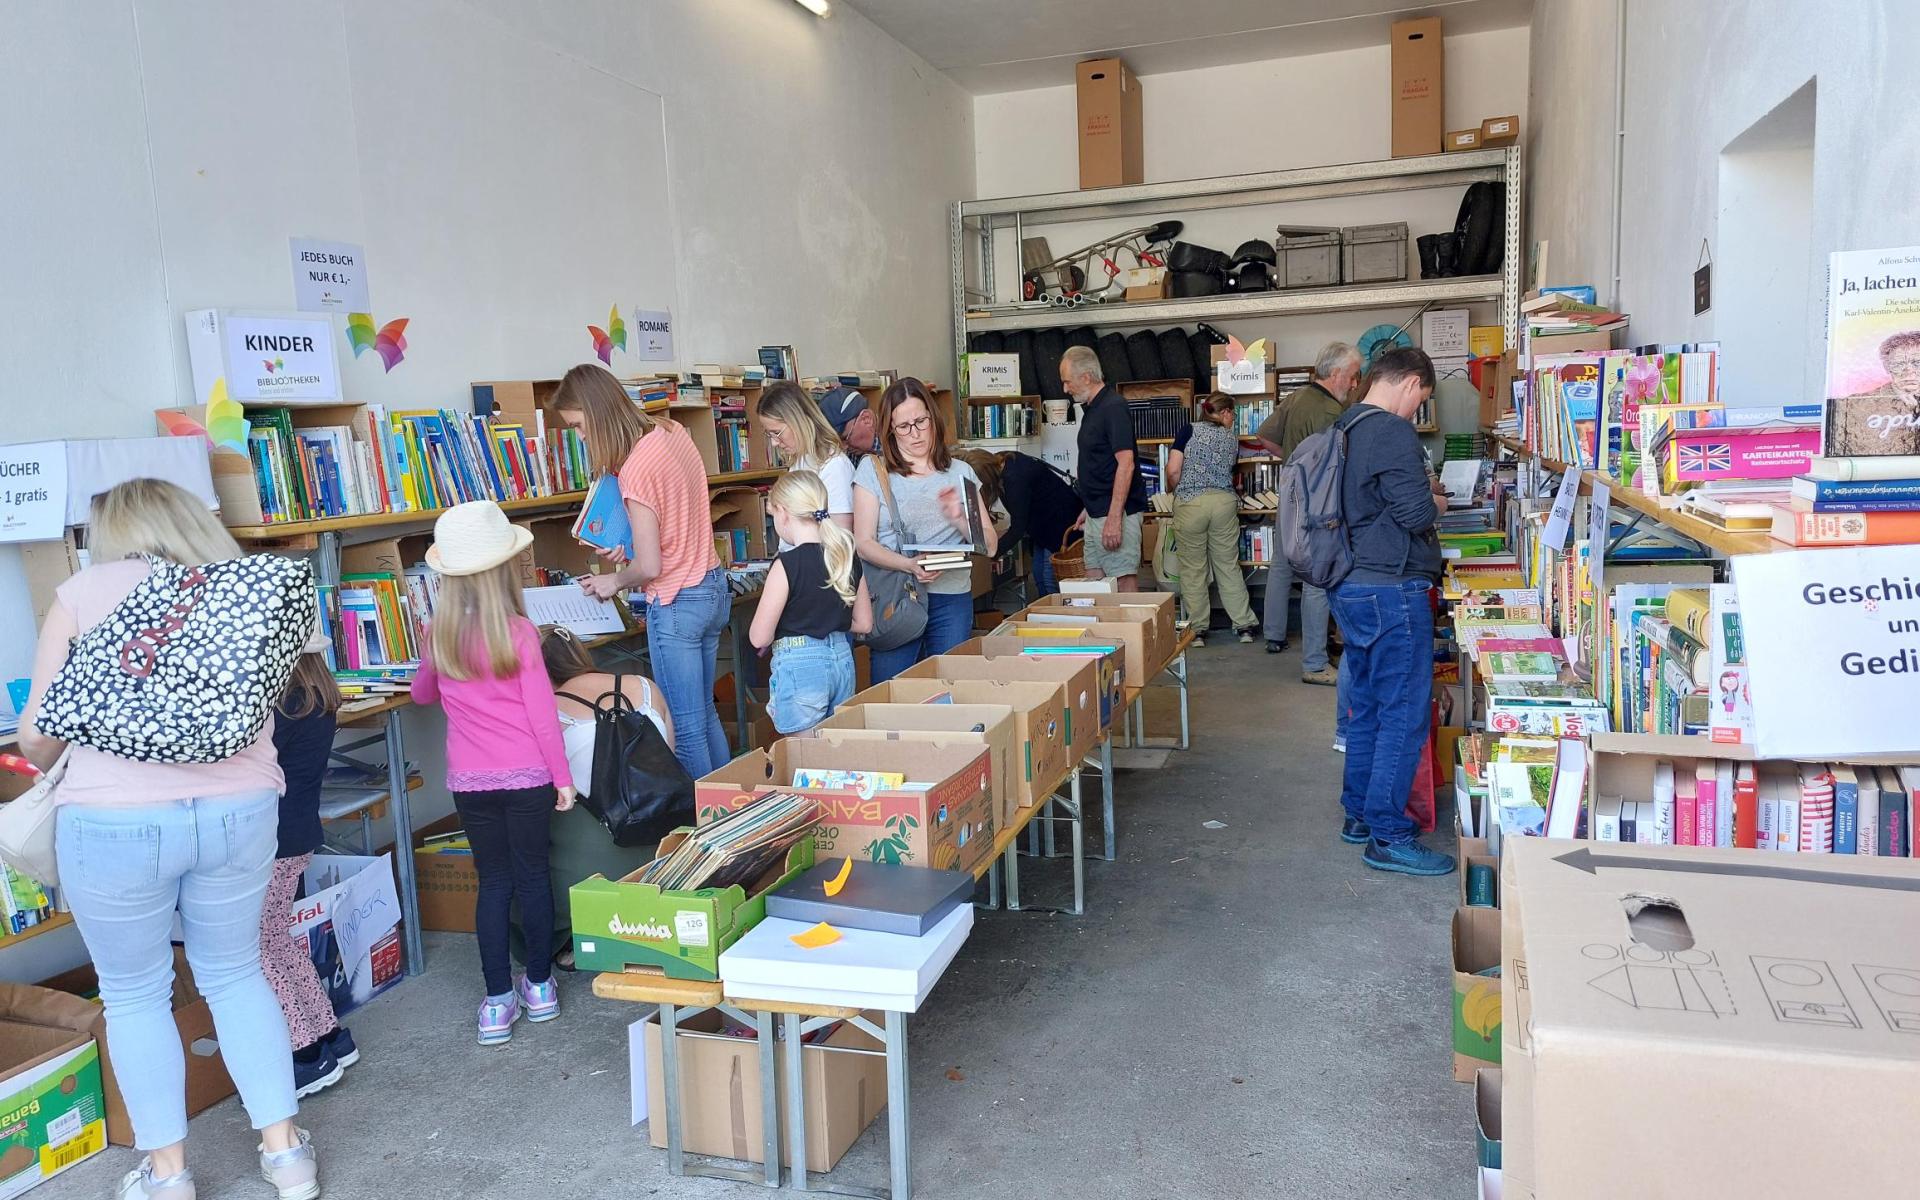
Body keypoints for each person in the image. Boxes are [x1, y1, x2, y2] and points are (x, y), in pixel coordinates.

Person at [17, 478, 320, 1200]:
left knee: (133, 996)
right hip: (239, 809)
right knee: (236, 973)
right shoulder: (248, 589)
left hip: (115, 821)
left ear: (112, 532)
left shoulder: (85, 594)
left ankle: (168, 1175)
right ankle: (287, 1158)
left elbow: (37, 741)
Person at [410, 500, 578, 1044]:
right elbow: (543, 718)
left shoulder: (439, 632)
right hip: (529, 776)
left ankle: (496, 1003)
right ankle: (540, 985)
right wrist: (563, 779)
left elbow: (421, 693)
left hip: (470, 783)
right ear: (503, 569)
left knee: (493, 883)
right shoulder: (520, 634)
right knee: (533, 877)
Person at [554, 362, 732, 777]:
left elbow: (650, 567)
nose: (580, 438)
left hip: (675, 602)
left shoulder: (635, 468)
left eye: (580, 426)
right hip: (711, 586)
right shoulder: (670, 432)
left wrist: (611, 581)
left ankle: (702, 830)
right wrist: (631, 548)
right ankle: (732, 814)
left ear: (598, 414)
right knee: (705, 716)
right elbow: (677, 517)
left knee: (685, 729)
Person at [1325, 348, 1454, 877]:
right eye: (1420, 399)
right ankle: (1389, 835)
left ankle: (1358, 814)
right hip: (1391, 589)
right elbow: (1417, 513)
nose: (1416, 410)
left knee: (1370, 710)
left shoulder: (1346, 425)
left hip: (1352, 584)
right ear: (1410, 383)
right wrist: (1439, 501)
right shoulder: (1392, 432)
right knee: (1403, 715)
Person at [537, 625, 672, 969]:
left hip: (598, 849)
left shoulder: (548, 710)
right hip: (663, 839)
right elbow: (671, 756)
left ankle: (575, 933)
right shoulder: (647, 687)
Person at [853, 377, 998, 682]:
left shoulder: (961, 472)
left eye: (921, 421)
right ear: (890, 429)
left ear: (934, 418)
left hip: (951, 598)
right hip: (897, 597)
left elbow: (990, 545)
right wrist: (909, 564)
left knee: (949, 690)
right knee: (892, 693)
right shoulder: (873, 471)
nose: (915, 434)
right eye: (903, 426)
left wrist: (959, 518)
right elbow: (863, 542)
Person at [265, 654, 356, 1100]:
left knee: (258, 949)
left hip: (269, 840)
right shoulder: (316, 697)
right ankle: (329, 1033)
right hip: (298, 835)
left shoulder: (281, 707)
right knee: (278, 941)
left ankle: (304, 1055)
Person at [1258, 341, 1362, 675]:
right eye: (1353, 377)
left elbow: (1264, 436)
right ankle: (1315, 663)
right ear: (1336, 374)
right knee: (1318, 577)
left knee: (1282, 564)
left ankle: (1273, 635)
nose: (1355, 384)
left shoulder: (1295, 398)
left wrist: (1291, 463)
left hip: (1288, 495)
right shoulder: (1334, 413)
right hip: (1319, 502)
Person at [751, 470, 874, 731]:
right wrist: (829, 619)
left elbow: (759, 638)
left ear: (783, 512)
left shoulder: (786, 564)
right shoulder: (847, 556)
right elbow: (863, 624)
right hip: (842, 659)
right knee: (837, 753)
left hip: (801, 663)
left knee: (803, 755)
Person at [1167, 394, 1259, 645]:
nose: (1234, 419)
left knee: (1194, 569)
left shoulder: (1188, 430)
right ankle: (1244, 626)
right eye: (1234, 414)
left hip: (1191, 504)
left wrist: (1175, 489)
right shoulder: (1231, 439)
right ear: (1226, 413)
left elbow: (1174, 469)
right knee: (1228, 565)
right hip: (1223, 504)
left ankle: (1197, 631)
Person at [1061, 345, 1147, 590]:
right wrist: (1089, 507)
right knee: (1094, 585)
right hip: (1097, 512)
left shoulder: (1113, 407)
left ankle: (1129, 630)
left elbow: (1126, 465)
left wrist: (1113, 518)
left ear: (1086, 377)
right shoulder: (1093, 409)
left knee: (1122, 582)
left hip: (1115, 514)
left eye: (1068, 382)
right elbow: (1101, 463)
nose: (1065, 389)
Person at [957, 449, 1082, 597]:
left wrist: (991, 554)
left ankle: (1054, 615)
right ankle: (1048, 614)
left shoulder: (1014, 479)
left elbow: (1017, 529)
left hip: (1059, 526)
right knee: (1040, 575)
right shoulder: (1005, 460)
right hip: (1047, 526)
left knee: (1048, 579)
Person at [757, 380, 855, 542]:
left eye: (777, 433)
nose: (774, 442)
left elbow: (840, 541)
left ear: (798, 421)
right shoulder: (800, 461)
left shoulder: (834, 466)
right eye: (769, 434)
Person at [1826, 329, 1920, 456]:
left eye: (1917, 363)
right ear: (1887, 368)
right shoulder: (1852, 406)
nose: (1909, 371)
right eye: (1899, 364)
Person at [818, 384, 877, 460]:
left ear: (866, 419)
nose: (843, 448)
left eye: (845, 438)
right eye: (836, 443)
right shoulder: (845, 457)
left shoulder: (895, 448)